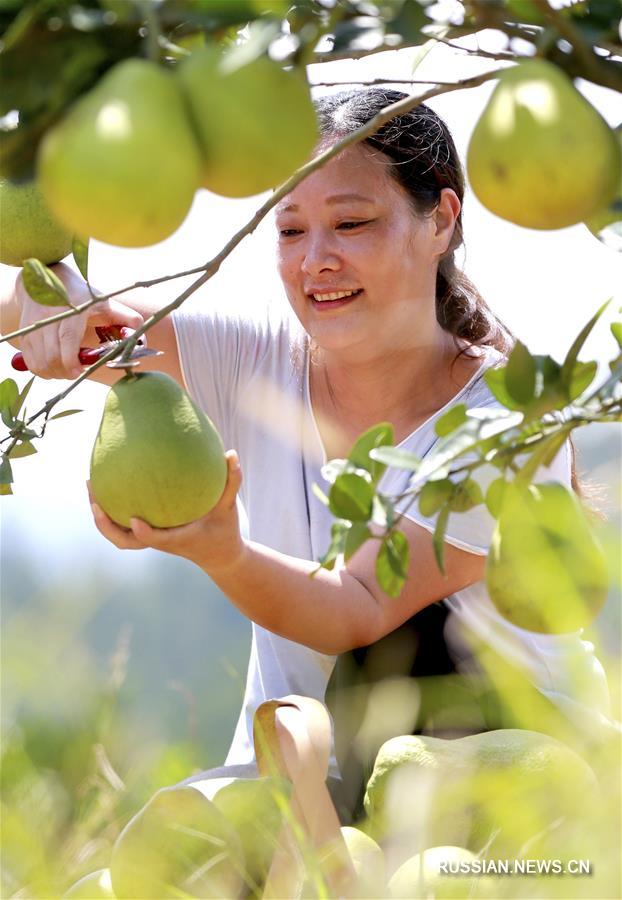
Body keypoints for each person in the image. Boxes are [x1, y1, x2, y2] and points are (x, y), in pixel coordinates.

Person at [2, 89, 610, 824]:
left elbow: (357, 610)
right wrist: (40, 305)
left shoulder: (505, 420)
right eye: (290, 231)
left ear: (441, 220)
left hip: (517, 777)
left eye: (351, 223)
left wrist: (221, 552)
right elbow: (86, 324)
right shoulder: (250, 359)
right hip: (309, 785)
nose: (316, 260)